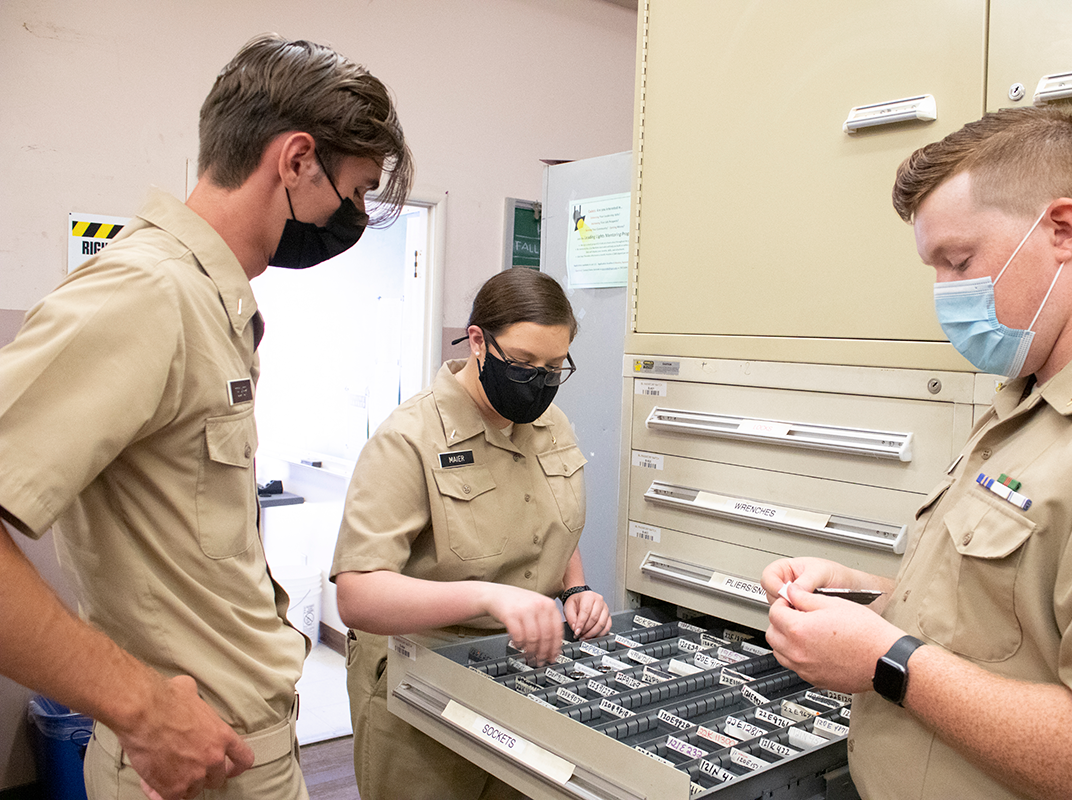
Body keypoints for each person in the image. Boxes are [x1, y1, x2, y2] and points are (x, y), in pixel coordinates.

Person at [0, 34, 412, 800]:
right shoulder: (151, 293)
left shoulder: (208, 300)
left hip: (245, 747)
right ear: (295, 161)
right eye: (352, 194)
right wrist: (143, 710)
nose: (350, 219)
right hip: (192, 770)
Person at [762, 106, 1072, 800]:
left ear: (1061, 230)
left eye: (959, 262)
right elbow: (1014, 627)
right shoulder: (1032, 398)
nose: (945, 294)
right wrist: (871, 599)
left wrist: (885, 659)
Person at [332, 266, 613, 800]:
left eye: (556, 367)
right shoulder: (409, 439)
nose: (541, 382)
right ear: (479, 342)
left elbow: (551, 518)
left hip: (525, 676)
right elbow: (358, 594)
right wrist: (489, 596)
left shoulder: (553, 426)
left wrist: (574, 587)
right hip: (420, 685)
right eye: (525, 364)